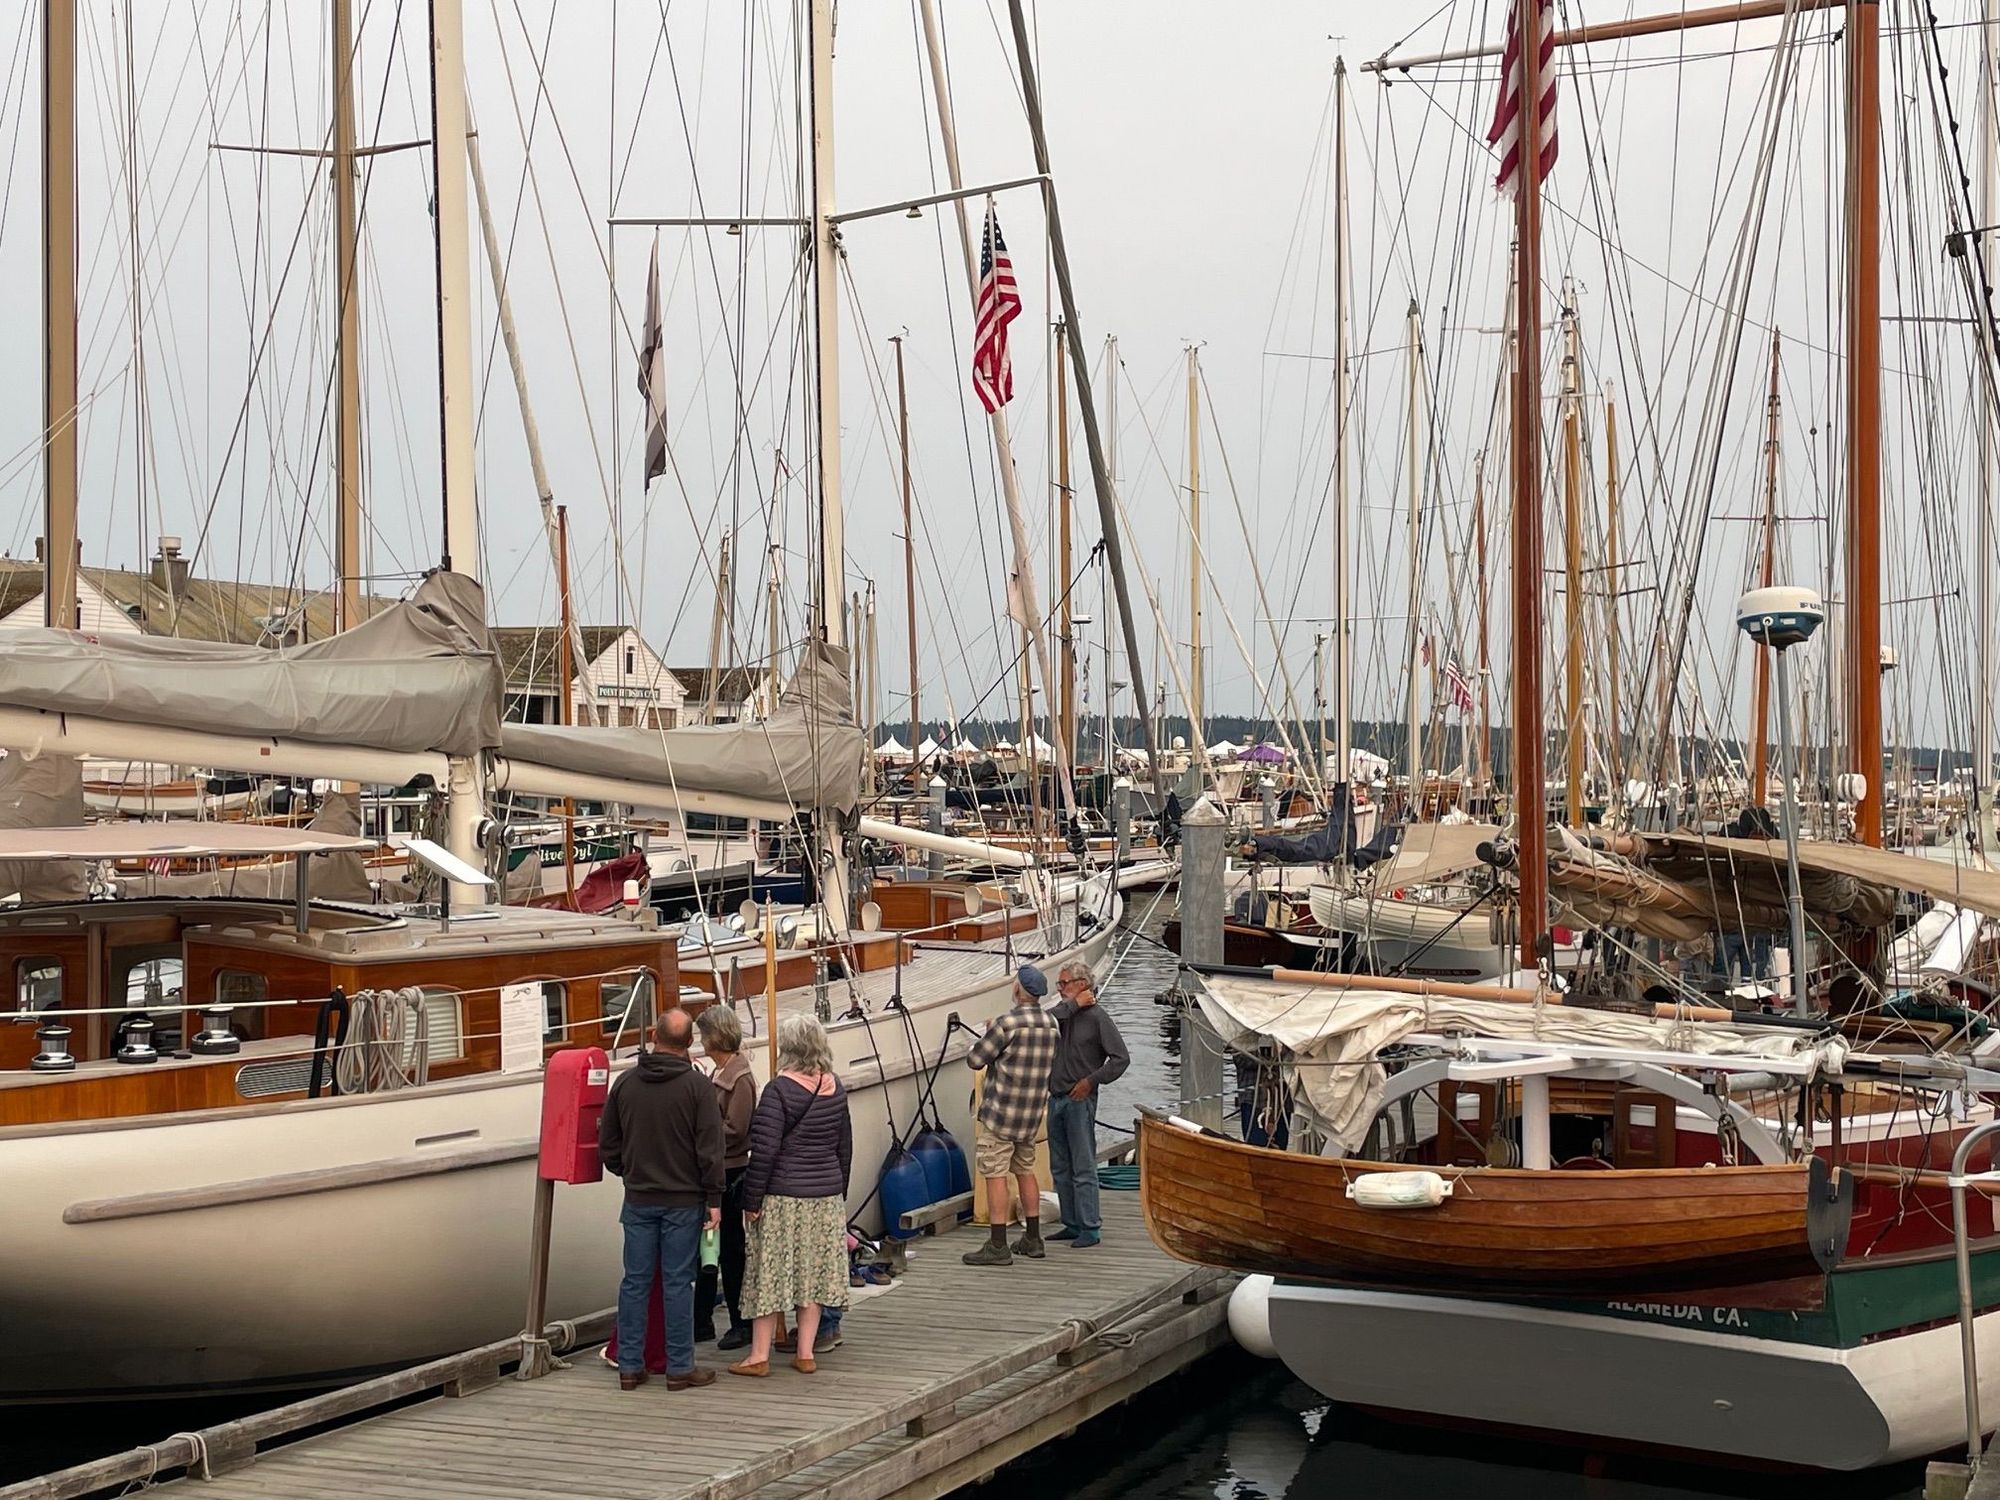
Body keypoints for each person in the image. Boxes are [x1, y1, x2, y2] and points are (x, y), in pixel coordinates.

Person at [598, 1007, 723, 1392]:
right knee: (677, 1283)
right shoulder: (698, 1087)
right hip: (684, 1200)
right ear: (689, 1043)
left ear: (653, 1036)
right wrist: (714, 1197)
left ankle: (630, 1366)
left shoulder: (626, 1083)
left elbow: (608, 1142)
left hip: (638, 1197)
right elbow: (710, 1149)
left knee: (635, 1282)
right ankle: (679, 1367)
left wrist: (628, 1172)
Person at [730, 1013, 853, 1378]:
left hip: (783, 1198)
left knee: (770, 1274)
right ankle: (805, 1353)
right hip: (825, 1197)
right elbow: (844, 1147)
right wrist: (839, 1190)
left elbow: (764, 1152)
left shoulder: (778, 1091)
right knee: (812, 1275)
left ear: (787, 1047)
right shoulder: (835, 1087)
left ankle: (759, 1356)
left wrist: (752, 1201)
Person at [961, 965, 1060, 1267]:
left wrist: (990, 1030)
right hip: (1030, 1115)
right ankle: (1033, 1238)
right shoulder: (1052, 1023)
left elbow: (975, 1059)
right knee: (1025, 1170)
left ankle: (998, 1244)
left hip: (1001, 1115)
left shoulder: (1007, 1024)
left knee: (995, 1175)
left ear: (1017, 990)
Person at [1047, 962, 1129, 1248]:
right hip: (1055, 1097)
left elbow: (1120, 1058)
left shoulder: (1097, 1017)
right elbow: (1044, 1021)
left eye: (1064, 983)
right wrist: (1072, 1005)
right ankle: (1071, 1222)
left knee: (1083, 1165)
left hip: (1079, 1100)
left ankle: (1090, 1227)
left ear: (1082, 984)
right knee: (1059, 1166)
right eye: (1059, 984)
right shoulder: (1062, 1014)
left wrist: (1091, 1081)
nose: (1060, 989)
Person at [695, 1005, 757, 1350]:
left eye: (704, 1035)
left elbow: (736, 1129)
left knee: (731, 1251)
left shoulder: (739, 1078)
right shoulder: (722, 1072)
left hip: (731, 1171)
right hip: (716, 1168)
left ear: (714, 1038)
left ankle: (741, 1322)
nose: (701, 1041)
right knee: (709, 1248)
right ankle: (702, 1320)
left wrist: (701, 1131)